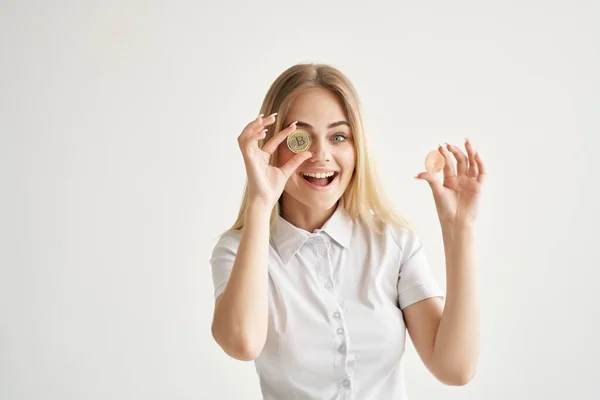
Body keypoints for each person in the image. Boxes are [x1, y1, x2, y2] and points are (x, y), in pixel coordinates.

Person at [210, 63, 486, 399]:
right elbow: (242, 342)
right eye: (301, 138)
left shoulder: (394, 245)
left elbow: (455, 368)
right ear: (272, 144)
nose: (322, 155)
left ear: (357, 149)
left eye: (338, 136)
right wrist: (260, 202)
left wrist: (460, 228)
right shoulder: (237, 250)